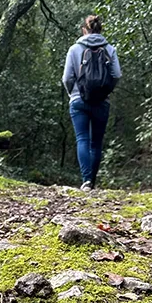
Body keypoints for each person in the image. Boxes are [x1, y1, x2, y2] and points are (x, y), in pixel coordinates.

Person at [62, 14, 122, 191]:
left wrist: (71, 94)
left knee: (82, 139)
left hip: (78, 100)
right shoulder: (110, 49)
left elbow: (67, 78)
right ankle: (92, 182)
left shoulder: (74, 49)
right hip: (102, 101)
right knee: (96, 142)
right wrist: (107, 90)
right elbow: (117, 74)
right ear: (100, 29)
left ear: (84, 30)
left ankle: (86, 180)